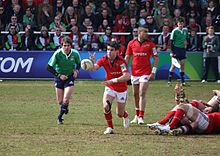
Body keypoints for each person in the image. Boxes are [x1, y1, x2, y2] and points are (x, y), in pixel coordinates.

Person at [89, 41, 130, 134]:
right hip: (110, 87)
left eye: (111, 50)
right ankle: (110, 127)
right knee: (106, 106)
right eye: (107, 50)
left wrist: (113, 80)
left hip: (121, 89)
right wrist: (91, 62)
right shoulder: (103, 59)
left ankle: (125, 115)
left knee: (119, 114)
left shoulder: (121, 62)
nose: (109, 52)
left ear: (117, 51)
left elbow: (127, 76)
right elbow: (93, 68)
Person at [125, 25, 159, 125]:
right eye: (145, 32)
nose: (147, 34)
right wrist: (124, 70)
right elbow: (127, 57)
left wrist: (153, 71)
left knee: (141, 93)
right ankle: (136, 115)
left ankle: (141, 116)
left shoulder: (150, 44)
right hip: (134, 73)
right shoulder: (131, 43)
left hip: (145, 73)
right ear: (139, 33)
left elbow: (156, 58)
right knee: (135, 94)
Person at [147, 90, 220, 135]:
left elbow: (218, 95)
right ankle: (177, 129)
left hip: (208, 122)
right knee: (185, 116)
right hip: (204, 125)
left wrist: (216, 91)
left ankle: (167, 125)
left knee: (183, 106)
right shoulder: (211, 109)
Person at [47, 36, 81, 124]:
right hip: (59, 78)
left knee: (66, 99)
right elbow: (49, 67)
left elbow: (79, 64)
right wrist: (59, 75)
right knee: (60, 101)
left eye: (68, 46)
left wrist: (76, 70)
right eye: (64, 45)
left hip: (69, 77)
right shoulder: (57, 54)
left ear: (71, 46)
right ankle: (65, 106)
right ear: (62, 45)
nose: (66, 47)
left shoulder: (75, 54)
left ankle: (59, 117)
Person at [168, 17, 188, 86]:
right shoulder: (174, 31)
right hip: (176, 49)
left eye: (182, 24)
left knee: (182, 64)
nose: (180, 25)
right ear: (177, 24)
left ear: (183, 24)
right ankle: (169, 81)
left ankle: (183, 81)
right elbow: (171, 42)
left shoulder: (185, 30)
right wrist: (172, 51)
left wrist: (186, 44)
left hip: (182, 49)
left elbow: (186, 39)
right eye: (179, 24)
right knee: (173, 66)